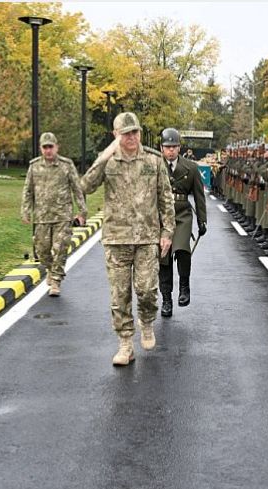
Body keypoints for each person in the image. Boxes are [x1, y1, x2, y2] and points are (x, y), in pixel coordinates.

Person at [80, 112, 175, 366]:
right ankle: (125, 344)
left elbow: (166, 198)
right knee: (119, 295)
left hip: (146, 238)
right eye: (125, 133)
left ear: (140, 133)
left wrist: (167, 233)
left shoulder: (153, 161)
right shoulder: (108, 162)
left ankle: (146, 322)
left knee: (146, 290)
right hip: (116, 239)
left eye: (135, 132)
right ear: (116, 135)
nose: (131, 137)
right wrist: (105, 154)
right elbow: (85, 186)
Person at [21, 132, 87, 297]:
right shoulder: (34, 166)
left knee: (60, 249)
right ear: (41, 148)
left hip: (62, 216)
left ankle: (56, 281)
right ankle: (50, 268)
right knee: (42, 251)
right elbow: (28, 191)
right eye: (45, 147)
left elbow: (77, 189)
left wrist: (82, 211)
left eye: (51, 147)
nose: (48, 150)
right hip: (42, 217)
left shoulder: (66, 165)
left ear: (56, 147)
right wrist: (25, 210)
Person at [158, 128, 207, 317]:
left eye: (174, 147)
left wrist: (202, 221)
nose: (171, 151)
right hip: (161, 216)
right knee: (164, 257)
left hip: (182, 214)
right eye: (167, 147)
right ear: (162, 148)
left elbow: (199, 196)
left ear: (179, 148)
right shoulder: (155, 166)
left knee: (182, 249)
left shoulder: (191, 167)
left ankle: (184, 287)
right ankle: (166, 299)